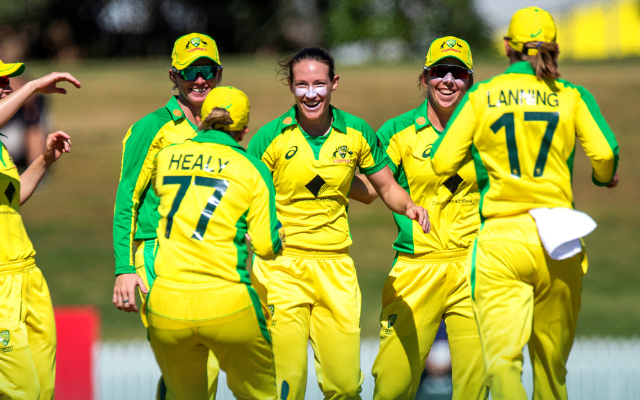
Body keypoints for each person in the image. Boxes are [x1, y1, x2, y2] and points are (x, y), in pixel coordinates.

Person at [429, 7, 619, 400]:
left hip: (501, 238)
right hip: (560, 239)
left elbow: (442, 161)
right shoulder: (571, 95)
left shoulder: (482, 95)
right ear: (555, 48)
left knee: (501, 364)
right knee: (551, 370)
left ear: (506, 47)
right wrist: (603, 178)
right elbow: (604, 154)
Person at [248, 46, 430, 400]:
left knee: (345, 387)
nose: (311, 93)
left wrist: (408, 205)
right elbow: (245, 197)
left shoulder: (356, 132)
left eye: (319, 83)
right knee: (288, 383)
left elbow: (384, 187)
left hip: (336, 269)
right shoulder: (269, 138)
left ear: (334, 83)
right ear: (291, 86)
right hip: (281, 269)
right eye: (302, 84)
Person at [366, 36, 487, 400]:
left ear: (470, 79)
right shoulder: (397, 131)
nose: (448, 80)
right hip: (416, 268)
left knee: (476, 384)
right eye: (439, 71)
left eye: (458, 73)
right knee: (392, 385)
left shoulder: (488, 131)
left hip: (475, 266)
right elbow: (371, 189)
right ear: (424, 78)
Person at [146, 86, 283, 400]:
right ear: (244, 131)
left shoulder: (166, 157)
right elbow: (265, 246)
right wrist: (279, 235)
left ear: (202, 119)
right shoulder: (251, 167)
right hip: (228, 303)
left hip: (167, 305)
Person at [111, 32, 222, 398]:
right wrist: (124, 269)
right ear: (173, 75)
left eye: (207, 69)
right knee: (191, 362)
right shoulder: (151, 128)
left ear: (219, 74)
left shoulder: (224, 129)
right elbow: (127, 197)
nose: (200, 79)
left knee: (201, 361)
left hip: (207, 257)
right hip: (158, 255)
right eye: (191, 71)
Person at [0, 60, 81, 399]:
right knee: (22, 391)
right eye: (0, 80)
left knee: (42, 390)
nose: (9, 85)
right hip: (1, 283)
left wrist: (45, 159)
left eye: (10, 80)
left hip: (27, 275)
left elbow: (13, 197)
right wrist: (33, 86)